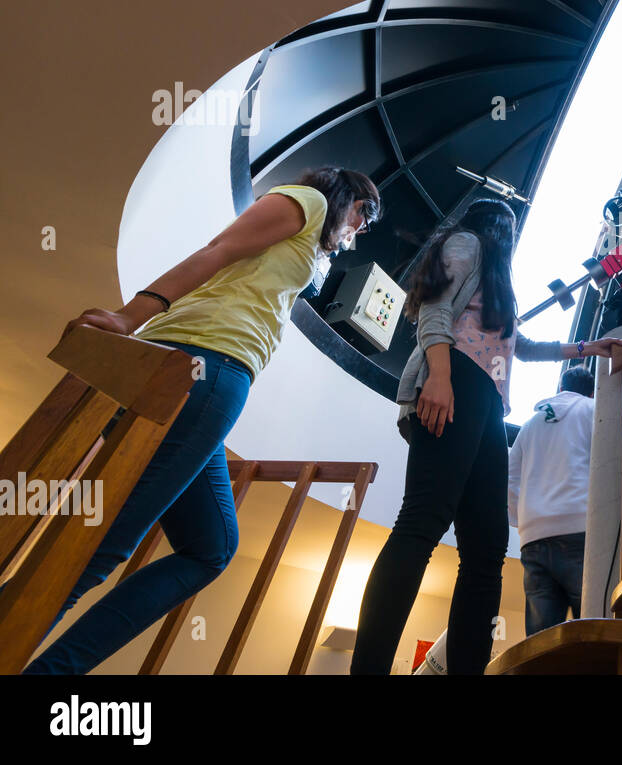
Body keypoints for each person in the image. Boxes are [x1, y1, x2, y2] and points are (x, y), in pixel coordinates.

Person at [20, 166, 381, 674]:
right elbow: (217, 250)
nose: (362, 230)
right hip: (204, 366)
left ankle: (52, 669)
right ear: (346, 195)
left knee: (211, 548)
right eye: (366, 213)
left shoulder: (307, 238)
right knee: (100, 544)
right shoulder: (309, 202)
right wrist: (129, 317)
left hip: (201, 371)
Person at [349, 198, 622, 675]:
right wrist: (438, 376)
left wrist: (583, 347)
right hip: (454, 377)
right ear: (484, 223)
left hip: (488, 404)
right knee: (421, 523)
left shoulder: (498, 278)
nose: (509, 234)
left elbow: (521, 345)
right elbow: (435, 307)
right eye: (505, 224)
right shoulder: (467, 244)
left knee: (488, 547)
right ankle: (368, 667)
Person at [507, 366, 595, 636]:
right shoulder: (593, 411)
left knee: (540, 643)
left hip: (533, 539)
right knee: (592, 635)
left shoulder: (530, 424)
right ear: (591, 391)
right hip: (580, 532)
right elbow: (610, 465)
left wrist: (526, 520)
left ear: (560, 388)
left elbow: (510, 479)